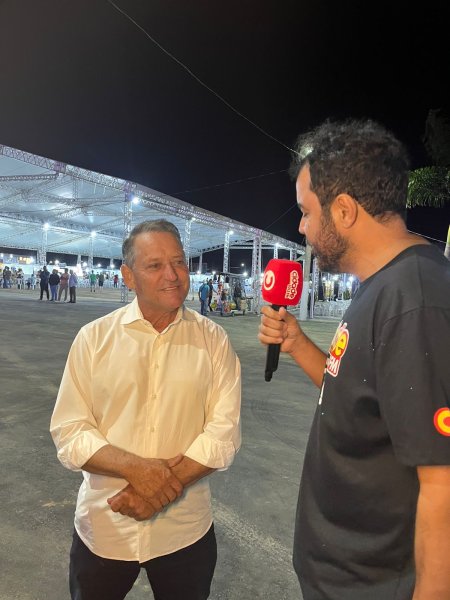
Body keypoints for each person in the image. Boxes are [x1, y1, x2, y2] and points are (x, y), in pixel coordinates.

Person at [258, 118, 450, 600]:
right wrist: (298, 343)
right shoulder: (383, 283)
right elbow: (357, 397)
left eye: (306, 212)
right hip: (342, 572)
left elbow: (443, 482)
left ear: (343, 210)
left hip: (375, 583)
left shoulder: (414, 299)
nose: (301, 227)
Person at [50, 219, 241, 600]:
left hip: (184, 532)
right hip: (106, 527)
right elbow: (70, 432)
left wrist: (154, 493)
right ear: (128, 276)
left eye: (179, 262)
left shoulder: (213, 340)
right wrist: (137, 470)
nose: (173, 275)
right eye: (155, 265)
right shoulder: (94, 339)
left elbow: (223, 434)